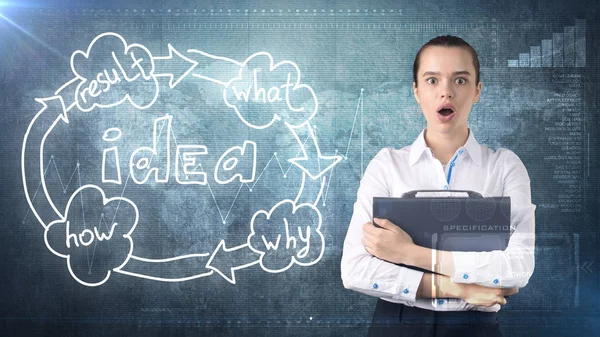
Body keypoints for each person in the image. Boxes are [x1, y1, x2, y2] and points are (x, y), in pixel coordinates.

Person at [340, 35, 536, 337]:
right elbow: (355, 270)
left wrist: (409, 254)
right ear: (416, 91)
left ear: (477, 91)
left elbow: (518, 268)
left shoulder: (505, 167)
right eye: (432, 80)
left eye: (460, 80)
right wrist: (459, 287)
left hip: (475, 328)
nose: (445, 92)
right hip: (398, 324)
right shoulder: (387, 165)